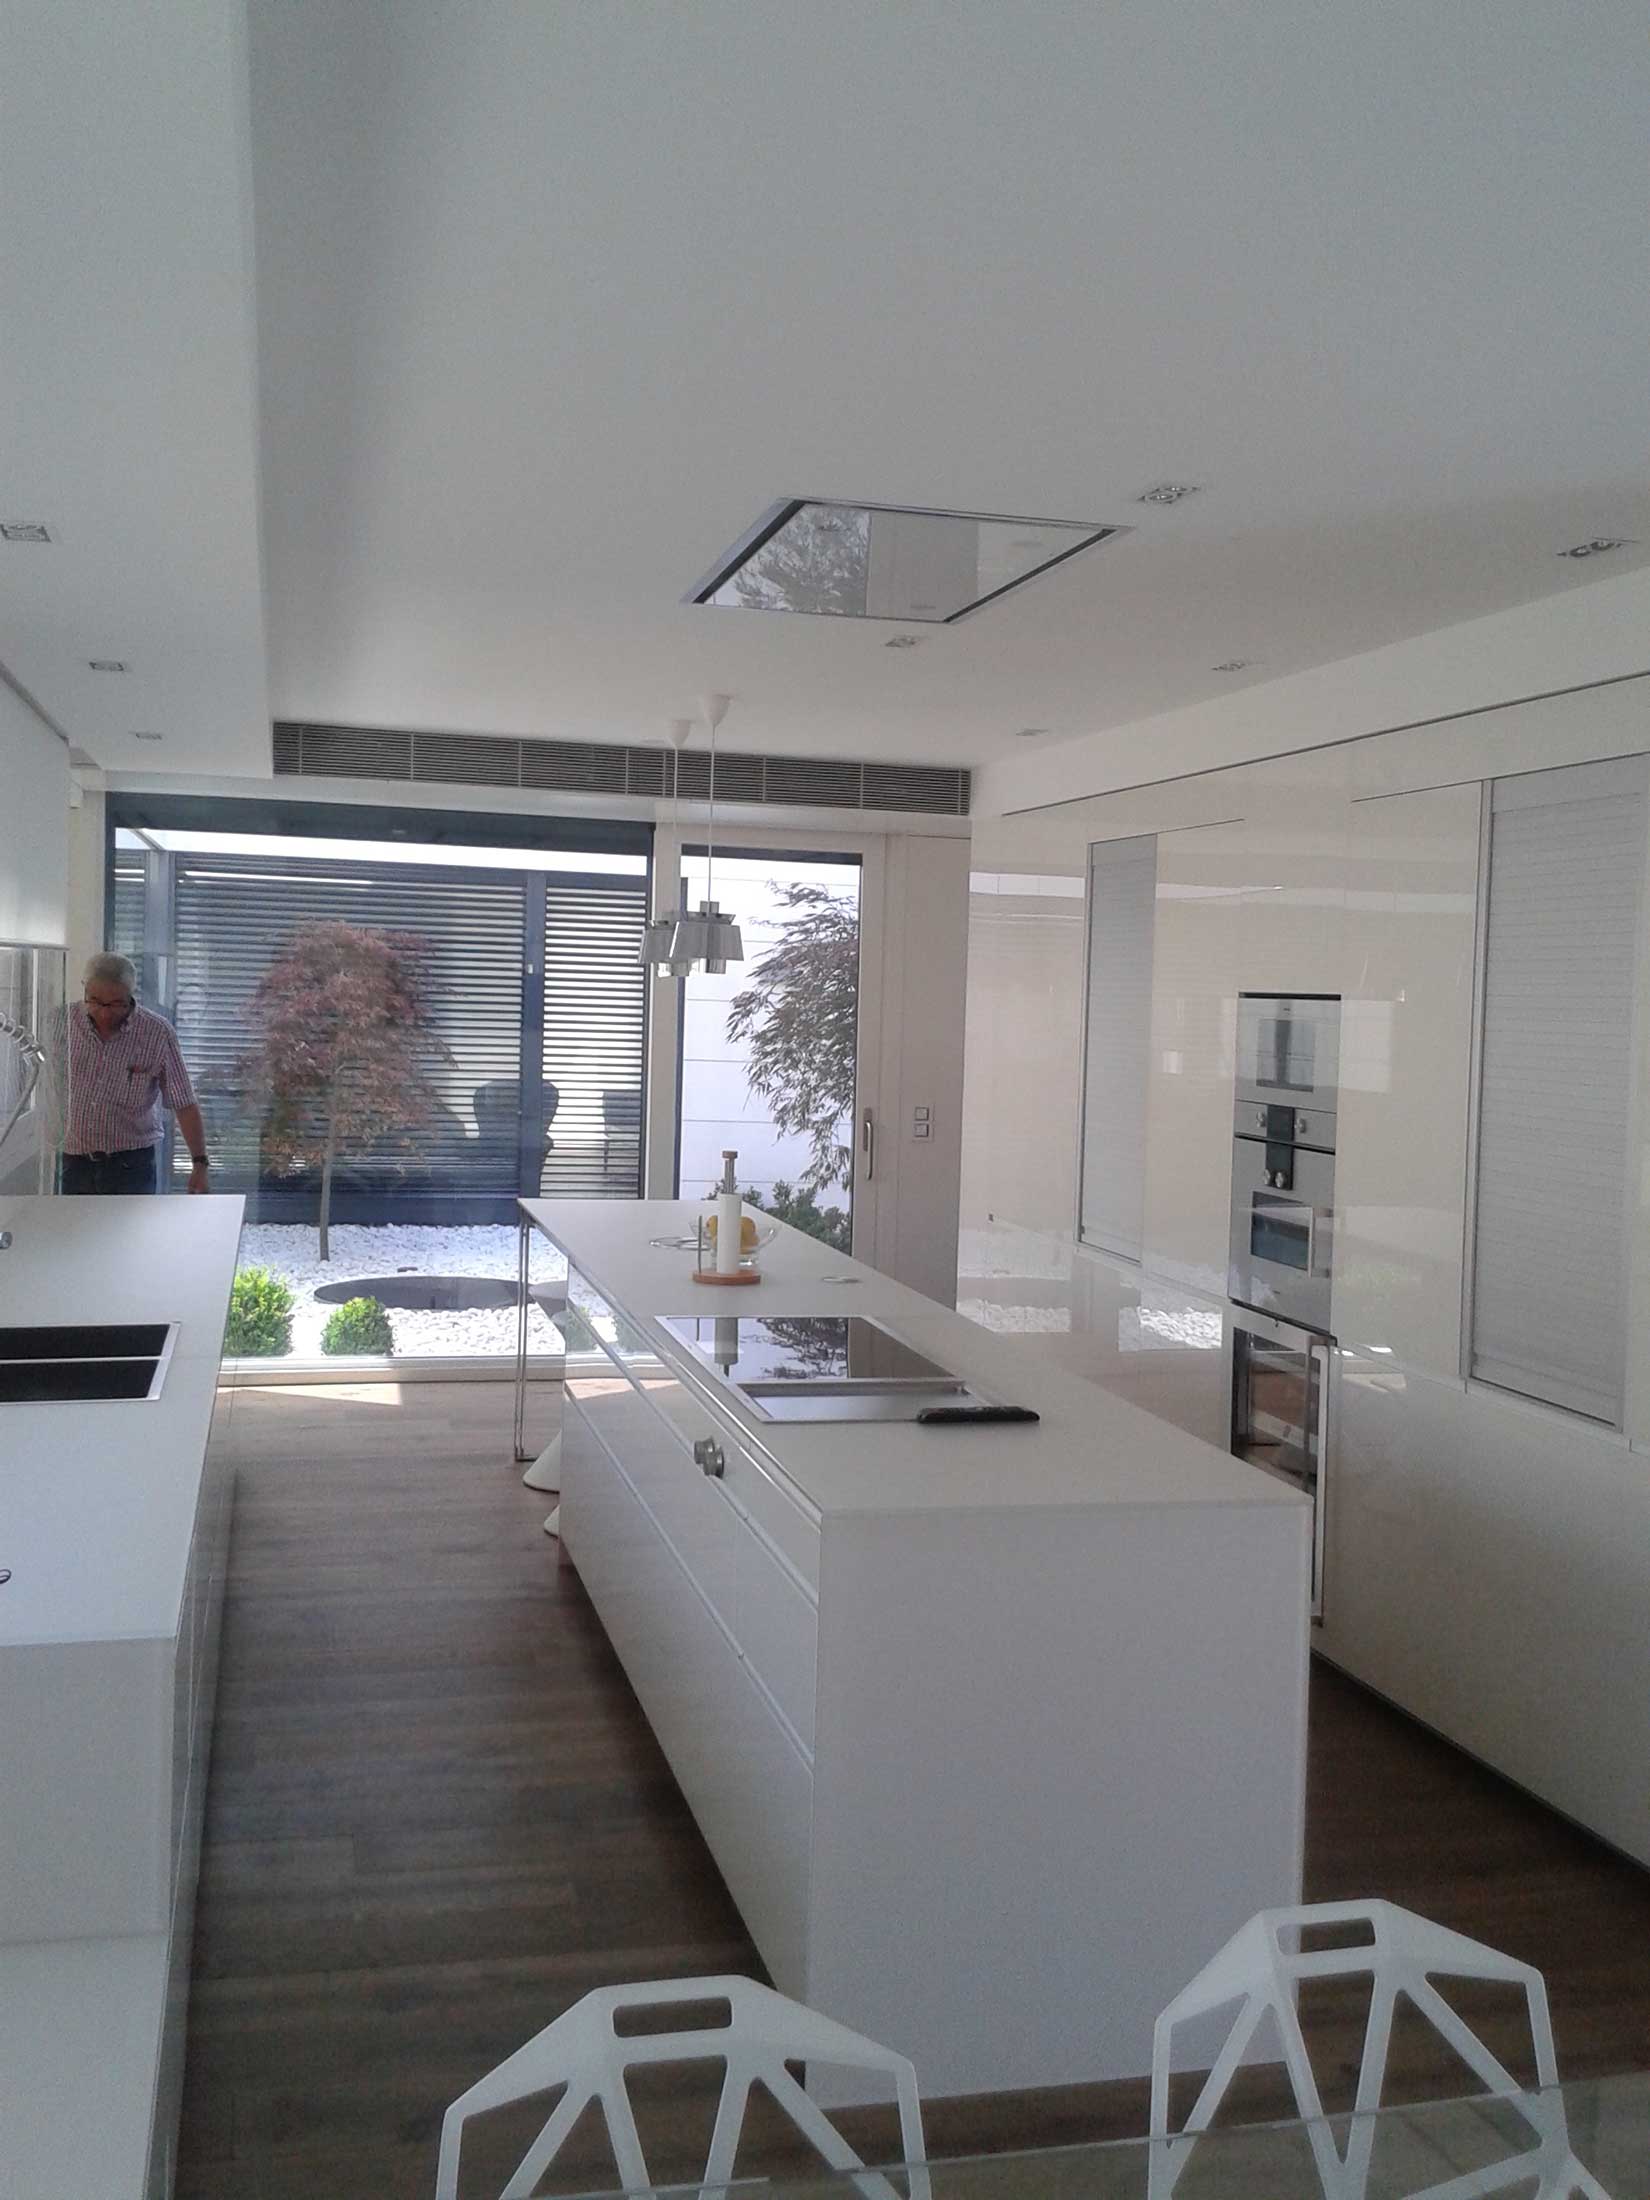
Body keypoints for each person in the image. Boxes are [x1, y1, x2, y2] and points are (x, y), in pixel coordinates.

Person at [61, 953, 210, 1195]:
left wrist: (199, 1164)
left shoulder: (157, 1033)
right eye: (95, 1001)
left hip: (131, 1165)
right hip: (74, 1161)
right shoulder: (61, 1023)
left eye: (116, 1003)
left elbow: (183, 1101)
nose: (105, 1013)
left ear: (131, 995)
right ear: (84, 989)